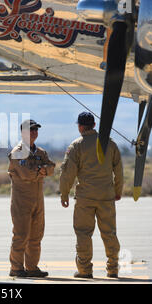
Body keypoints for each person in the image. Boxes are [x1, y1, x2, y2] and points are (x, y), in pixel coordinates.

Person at [60, 112, 123, 279]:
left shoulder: (77, 146)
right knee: (109, 232)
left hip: (85, 198)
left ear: (80, 126)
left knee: (83, 233)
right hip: (106, 196)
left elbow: (68, 173)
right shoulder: (110, 144)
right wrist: (118, 191)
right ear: (94, 125)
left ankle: (85, 269)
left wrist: (64, 194)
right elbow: (119, 171)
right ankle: (113, 268)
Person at [8, 119, 55, 278]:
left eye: (36, 130)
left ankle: (32, 267)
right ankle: (16, 267)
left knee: (36, 236)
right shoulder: (17, 152)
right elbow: (26, 174)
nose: (34, 132)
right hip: (21, 201)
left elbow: (52, 168)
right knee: (21, 235)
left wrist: (41, 170)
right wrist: (42, 170)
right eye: (31, 130)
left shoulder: (40, 152)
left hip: (37, 201)